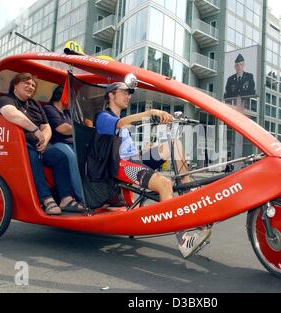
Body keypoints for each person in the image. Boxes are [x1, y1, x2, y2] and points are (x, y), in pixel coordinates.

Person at [89, 81, 211, 258]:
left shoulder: (122, 122)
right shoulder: (103, 117)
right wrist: (150, 113)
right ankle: (183, 239)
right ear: (111, 95)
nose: (128, 96)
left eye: (129, 93)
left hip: (135, 160)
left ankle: (187, 189)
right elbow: (120, 125)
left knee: (174, 144)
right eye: (124, 92)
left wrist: (147, 149)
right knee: (164, 184)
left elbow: (127, 147)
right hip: (121, 167)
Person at [0, 73, 87, 215]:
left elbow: (47, 126)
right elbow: (11, 114)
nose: (30, 87)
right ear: (15, 85)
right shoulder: (6, 100)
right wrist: (34, 129)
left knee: (60, 157)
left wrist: (44, 140)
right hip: (18, 145)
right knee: (31, 156)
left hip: (39, 145)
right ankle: (46, 198)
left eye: (33, 85)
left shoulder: (34, 104)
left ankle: (66, 199)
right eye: (26, 83)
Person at [43, 86, 83, 202]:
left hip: (71, 144)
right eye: (72, 97)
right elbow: (62, 128)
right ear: (63, 96)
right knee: (72, 157)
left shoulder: (67, 113)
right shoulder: (49, 108)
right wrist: (81, 128)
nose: (73, 100)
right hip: (56, 144)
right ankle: (82, 197)